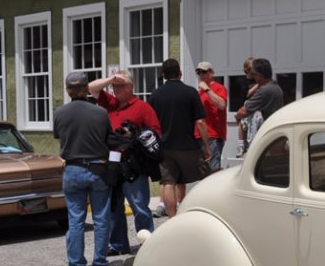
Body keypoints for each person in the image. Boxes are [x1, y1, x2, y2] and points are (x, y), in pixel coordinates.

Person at [88, 70, 162, 255]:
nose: (115, 89)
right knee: (115, 206)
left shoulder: (142, 107)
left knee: (139, 206)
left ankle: (147, 242)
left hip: (133, 161)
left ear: (131, 86)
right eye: (114, 85)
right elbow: (91, 87)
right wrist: (111, 79)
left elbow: (155, 133)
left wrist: (134, 135)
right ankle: (119, 245)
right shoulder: (110, 103)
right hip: (112, 162)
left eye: (120, 85)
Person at [52, 72, 113, 266]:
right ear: (87, 88)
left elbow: (60, 138)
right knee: (101, 218)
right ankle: (101, 263)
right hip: (98, 167)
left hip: (73, 168)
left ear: (68, 90)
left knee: (76, 219)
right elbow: (108, 139)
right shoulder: (101, 113)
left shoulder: (59, 113)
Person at [149, 59, 211, 218]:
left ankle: (172, 218)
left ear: (163, 75)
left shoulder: (155, 95)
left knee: (169, 183)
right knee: (207, 178)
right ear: (180, 72)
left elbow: (151, 123)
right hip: (188, 146)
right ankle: (204, 212)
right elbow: (201, 122)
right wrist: (206, 145)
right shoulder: (190, 92)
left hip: (165, 147)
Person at [234, 58, 283, 151]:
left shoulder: (263, 91)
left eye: (254, 74)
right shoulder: (276, 87)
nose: (253, 77)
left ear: (260, 75)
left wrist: (237, 117)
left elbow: (243, 111)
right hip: (273, 134)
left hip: (264, 137)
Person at [193, 61, 228, 171]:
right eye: (199, 72)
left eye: (204, 72)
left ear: (212, 73)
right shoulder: (199, 92)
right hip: (199, 135)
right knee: (203, 171)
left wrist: (207, 89)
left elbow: (222, 105)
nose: (201, 75)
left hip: (213, 135)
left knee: (213, 169)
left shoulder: (219, 88)